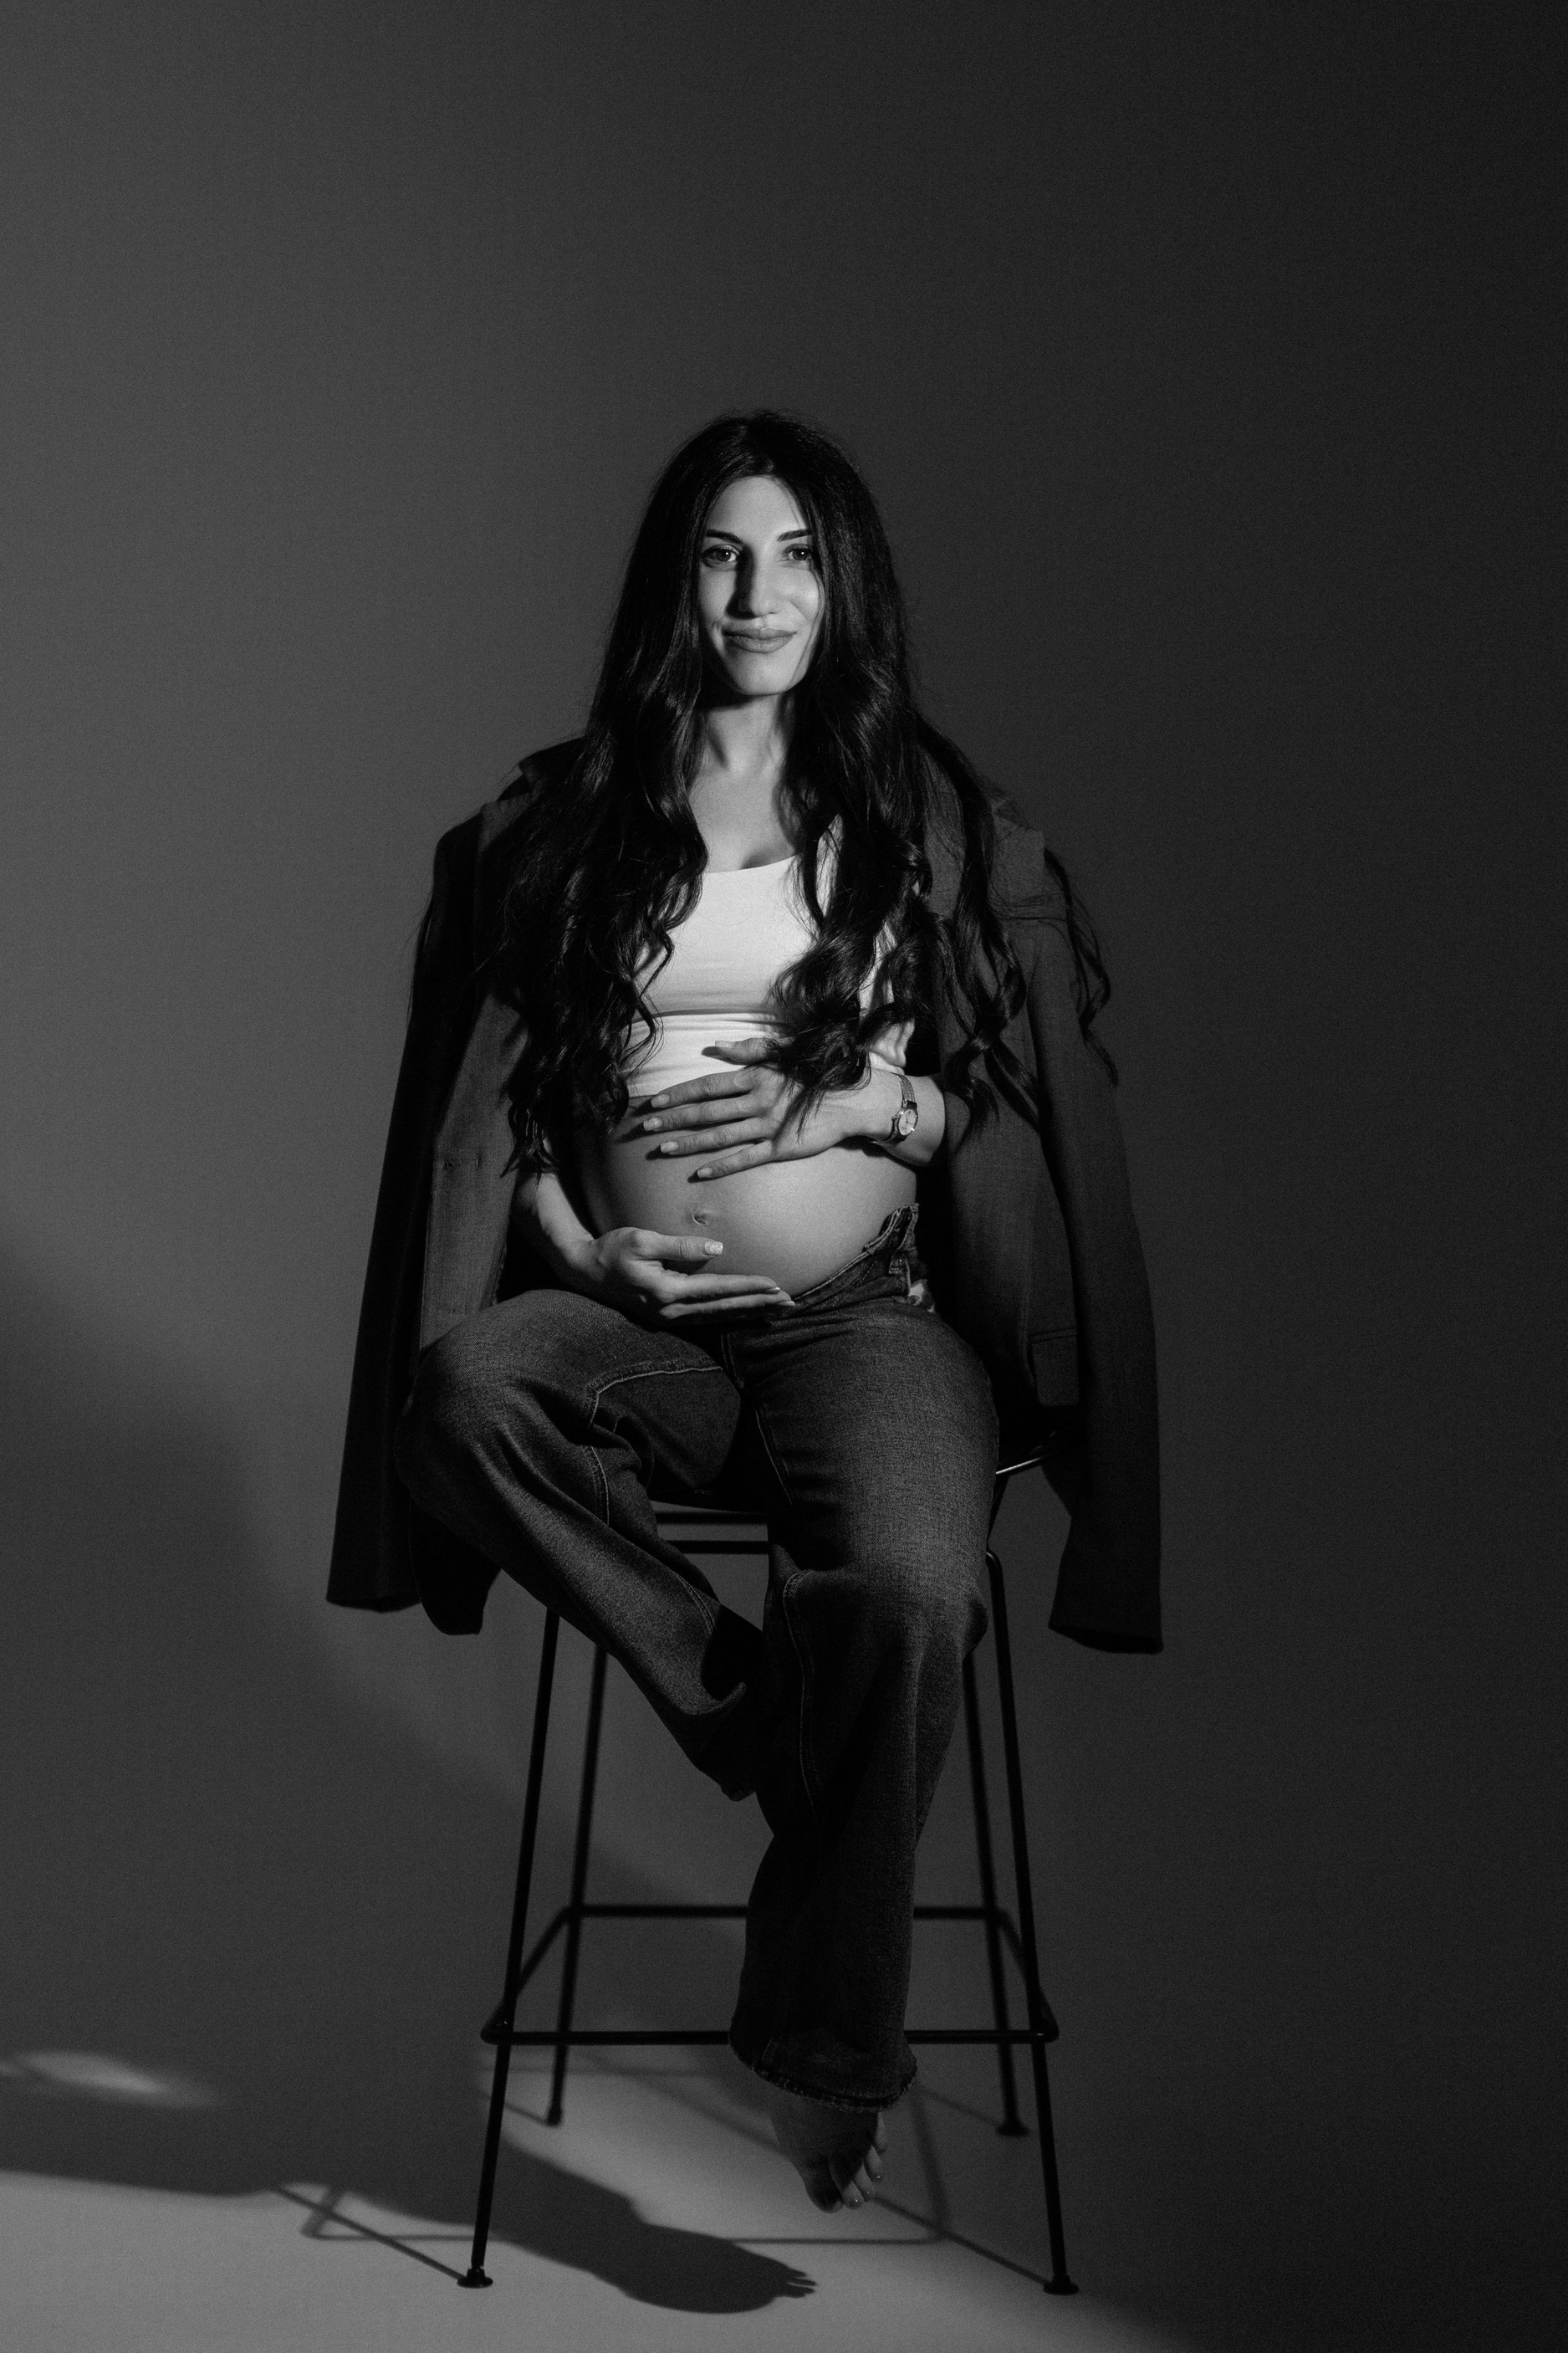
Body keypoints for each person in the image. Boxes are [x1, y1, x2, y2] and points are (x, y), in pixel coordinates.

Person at [327, 411, 1161, 2215]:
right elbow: (504, 1117)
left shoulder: (923, 823)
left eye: (795, 557)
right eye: (722, 553)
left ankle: (819, 2040)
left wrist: (873, 1102)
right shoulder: (570, 822)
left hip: (863, 1325)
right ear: (675, 584)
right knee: (463, 1396)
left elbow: (1000, 1103)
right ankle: (774, 1721)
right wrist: (578, 1250)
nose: (759, 593)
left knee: (916, 1592)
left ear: (843, 588)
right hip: (638, 1336)